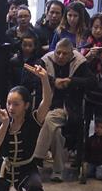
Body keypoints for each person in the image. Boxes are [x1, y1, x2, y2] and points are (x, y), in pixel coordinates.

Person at [38, 38, 93, 181]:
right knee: (56, 133)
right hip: (46, 105)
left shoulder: (79, 62)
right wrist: (52, 81)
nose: (60, 56)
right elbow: (31, 78)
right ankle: (58, 171)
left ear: (72, 53)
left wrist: (71, 81)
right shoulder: (46, 60)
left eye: (65, 53)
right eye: (58, 52)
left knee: (50, 118)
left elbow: (92, 81)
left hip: (69, 109)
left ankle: (36, 160)